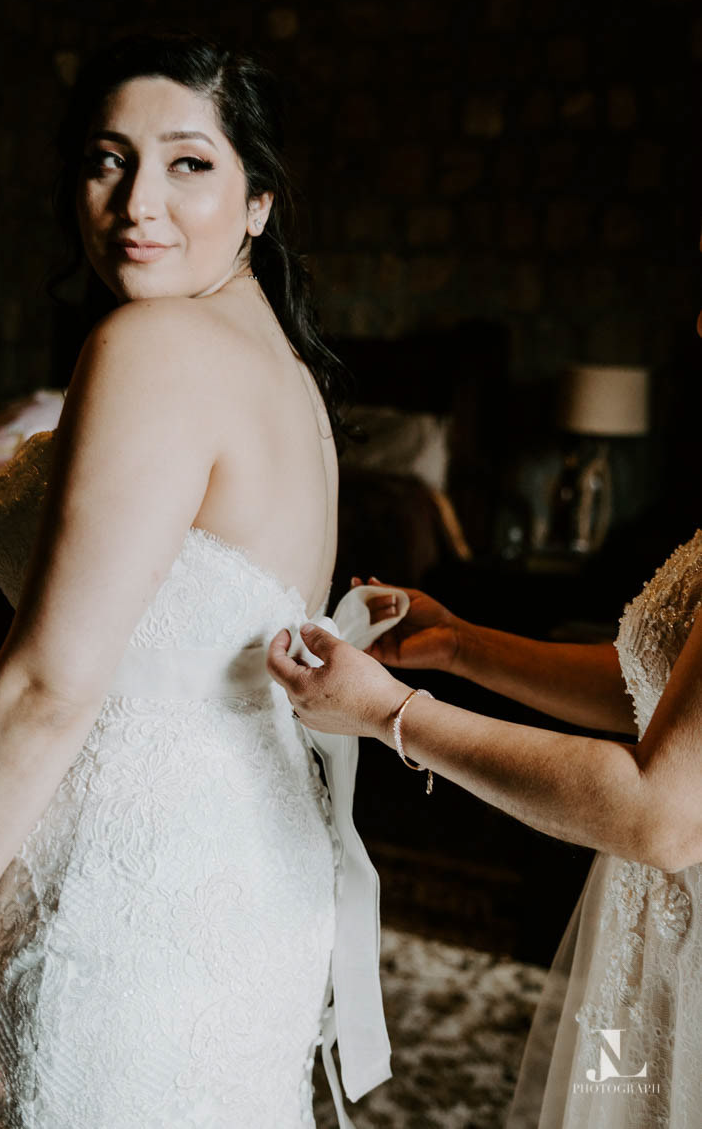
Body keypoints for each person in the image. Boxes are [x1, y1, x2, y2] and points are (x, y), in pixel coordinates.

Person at [0, 32, 397, 1129]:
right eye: (108, 160)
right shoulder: (286, 371)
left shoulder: (152, 344)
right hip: (259, 870)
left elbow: (51, 683)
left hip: (130, 888)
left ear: (258, 201)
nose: (136, 203)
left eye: (188, 163)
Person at [268, 339, 702, 1129]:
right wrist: (462, 645)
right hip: (653, 929)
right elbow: (661, 689)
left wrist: (390, 712)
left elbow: (664, 814)